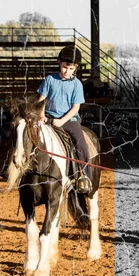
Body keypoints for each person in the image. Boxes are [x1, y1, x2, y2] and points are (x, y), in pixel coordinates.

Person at [37, 45, 92, 193]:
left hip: (69, 119)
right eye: (64, 67)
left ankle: (85, 176)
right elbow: (41, 100)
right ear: (59, 63)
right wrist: (41, 115)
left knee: (81, 143)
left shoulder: (77, 84)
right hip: (48, 117)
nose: (67, 71)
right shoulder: (49, 79)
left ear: (75, 68)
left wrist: (61, 121)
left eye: (71, 69)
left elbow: (75, 108)